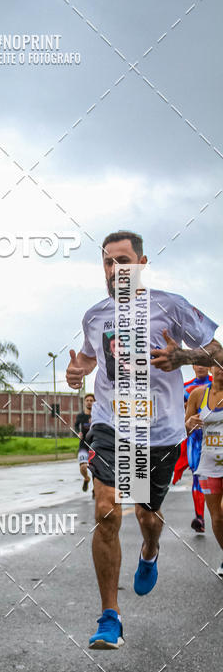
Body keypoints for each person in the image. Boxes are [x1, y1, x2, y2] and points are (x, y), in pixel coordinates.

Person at [66, 230, 220, 649]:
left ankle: (151, 550)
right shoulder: (95, 315)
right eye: (108, 262)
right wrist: (76, 371)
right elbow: (89, 357)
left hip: (159, 434)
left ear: (142, 264)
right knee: (106, 510)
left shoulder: (170, 307)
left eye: (123, 261)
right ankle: (109, 617)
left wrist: (184, 357)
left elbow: (218, 353)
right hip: (111, 425)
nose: (115, 270)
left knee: (146, 517)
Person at [185, 365, 223, 577]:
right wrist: (190, 422)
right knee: (216, 517)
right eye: (218, 365)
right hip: (208, 463)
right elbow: (186, 427)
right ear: (211, 368)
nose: (222, 369)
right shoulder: (198, 394)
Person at [172, 365, 212, 533]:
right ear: (193, 365)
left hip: (216, 439)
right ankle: (200, 518)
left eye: (204, 362)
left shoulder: (216, 384)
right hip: (195, 441)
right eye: (198, 362)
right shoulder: (185, 388)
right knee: (199, 477)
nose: (201, 366)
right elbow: (174, 411)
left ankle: (216, 514)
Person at [74, 393, 95, 493]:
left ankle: (96, 489)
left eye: (91, 400)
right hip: (83, 445)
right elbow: (76, 427)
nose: (89, 402)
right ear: (84, 402)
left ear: (94, 402)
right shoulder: (80, 416)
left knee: (96, 469)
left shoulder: (97, 415)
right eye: (87, 400)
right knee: (83, 466)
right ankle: (86, 478)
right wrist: (78, 433)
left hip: (95, 445)